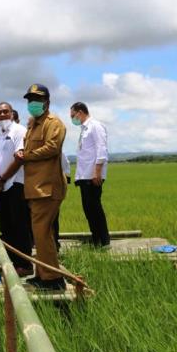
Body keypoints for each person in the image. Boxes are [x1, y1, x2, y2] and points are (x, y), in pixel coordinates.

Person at [14, 84, 68, 290]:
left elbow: (52, 148)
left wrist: (25, 156)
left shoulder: (54, 124)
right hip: (36, 188)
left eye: (37, 99)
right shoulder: (33, 124)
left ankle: (53, 280)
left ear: (47, 102)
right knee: (41, 234)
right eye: (29, 100)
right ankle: (44, 274)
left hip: (48, 187)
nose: (32, 104)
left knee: (43, 233)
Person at [0, 102, 33, 275]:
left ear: (12, 114)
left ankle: (25, 264)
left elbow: (19, 159)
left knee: (20, 225)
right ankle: (11, 262)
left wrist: (2, 178)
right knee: (6, 227)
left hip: (15, 184)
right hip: (1, 187)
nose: (2, 115)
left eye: (5, 112)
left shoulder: (20, 131)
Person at [70, 101, 110, 247]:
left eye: (73, 115)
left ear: (80, 112)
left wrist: (97, 172)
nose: (72, 119)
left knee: (95, 209)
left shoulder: (95, 126)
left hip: (92, 176)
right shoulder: (84, 129)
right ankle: (96, 240)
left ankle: (103, 241)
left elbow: (102, 149)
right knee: (89, 210)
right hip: (84, 176)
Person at [53, 152, 71, 251]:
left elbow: (65, 164)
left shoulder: (54, 147)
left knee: (52, 217)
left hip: (53, 185)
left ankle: (54, 244)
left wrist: (64, 181)